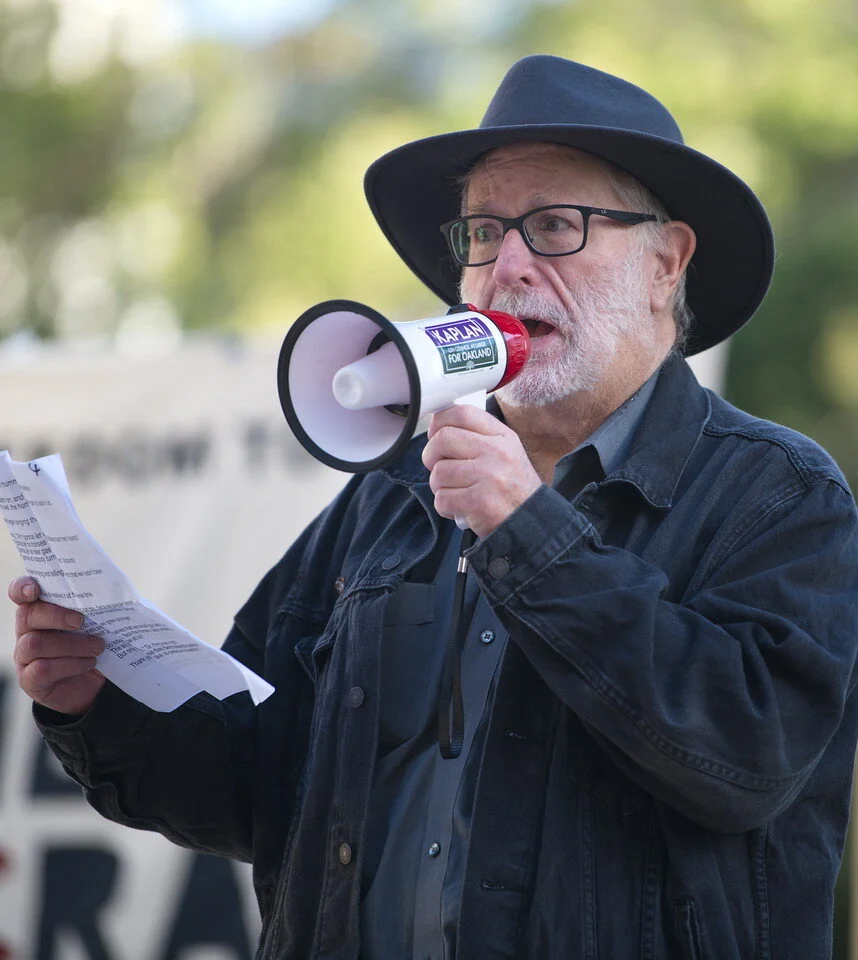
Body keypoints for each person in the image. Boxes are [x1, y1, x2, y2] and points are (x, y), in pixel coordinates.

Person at [10, 55, 858, 959]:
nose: (512, 266)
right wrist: (98, 704)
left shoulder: (777, 494)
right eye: (485, 232)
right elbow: (252, 790)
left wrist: (530, 535)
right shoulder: (390, 497)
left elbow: (749, 760)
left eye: (558, 225)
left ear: (666, 261)